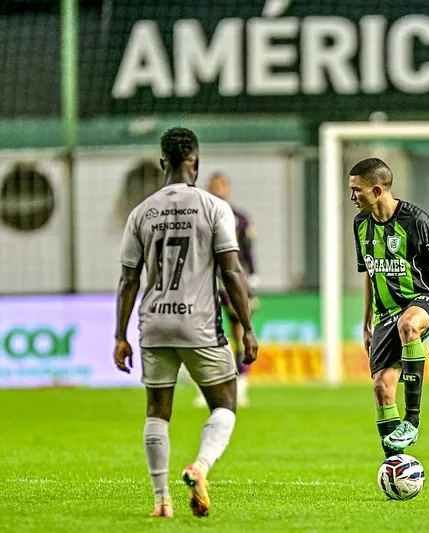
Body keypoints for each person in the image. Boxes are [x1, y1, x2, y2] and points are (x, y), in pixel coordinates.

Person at [114, 127, 257, 518]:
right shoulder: (214, 208)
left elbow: (128, 279)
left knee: (157, 411)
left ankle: (161, 502)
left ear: (163, 163)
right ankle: (200, 466)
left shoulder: (141, 211)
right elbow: (232, 271)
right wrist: (246, 326)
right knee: (224, 403)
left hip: (154, 324)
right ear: (196, 161)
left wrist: (119, 336)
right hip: (199, 324)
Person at [349, 157, 429, 457]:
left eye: (357, 190)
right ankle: (397, 465)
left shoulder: (416, 221)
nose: (352, 197)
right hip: (385, 314)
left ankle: (413, 418)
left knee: (408, 325)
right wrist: (367, 321)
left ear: (378, 190)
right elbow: (370, 272)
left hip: (423, 300)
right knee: (382, 388)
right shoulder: (360, 225)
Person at [192, 172, 259, 408]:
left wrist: (253, 277)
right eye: (214, 185)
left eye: (222, 185)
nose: (218, 189)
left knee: (240, 331)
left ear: (227, 188)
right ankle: (207, 388)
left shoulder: (239, 218)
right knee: (206, 335)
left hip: (234, 282)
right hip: (207, 282)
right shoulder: (199, 217)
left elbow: (248, 251)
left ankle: (241, 386)